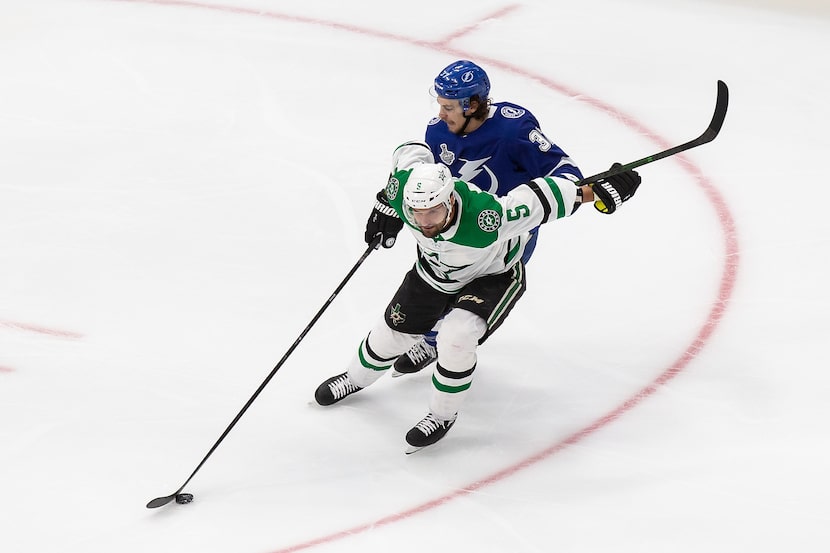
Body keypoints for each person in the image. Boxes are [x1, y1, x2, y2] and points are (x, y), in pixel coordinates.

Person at [316, 141, 641, 452]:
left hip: (491, 279)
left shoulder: (487, 218)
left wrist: (595, 191)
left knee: (456, 338)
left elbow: (543, 199)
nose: (424, 222)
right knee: (390, 337)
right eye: (416, 213)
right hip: (433, 274)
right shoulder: (405, 190)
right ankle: (355, 378)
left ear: (450, 200)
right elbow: (410, 150)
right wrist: (386, 204)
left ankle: (441, 415)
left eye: (433, 212)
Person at [365, 59, 584, 377]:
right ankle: (430, 336)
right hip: (449, 224)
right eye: (439, 105)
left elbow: (564, 172)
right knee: (437, 284)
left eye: (449, 106)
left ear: (474, 104)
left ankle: (443, 343)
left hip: (505, 233)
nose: (441, 114)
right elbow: (425, 176)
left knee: (474, 296)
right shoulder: (438, 130)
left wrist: (586, 191)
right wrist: (391, 202)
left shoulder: (514, 130)